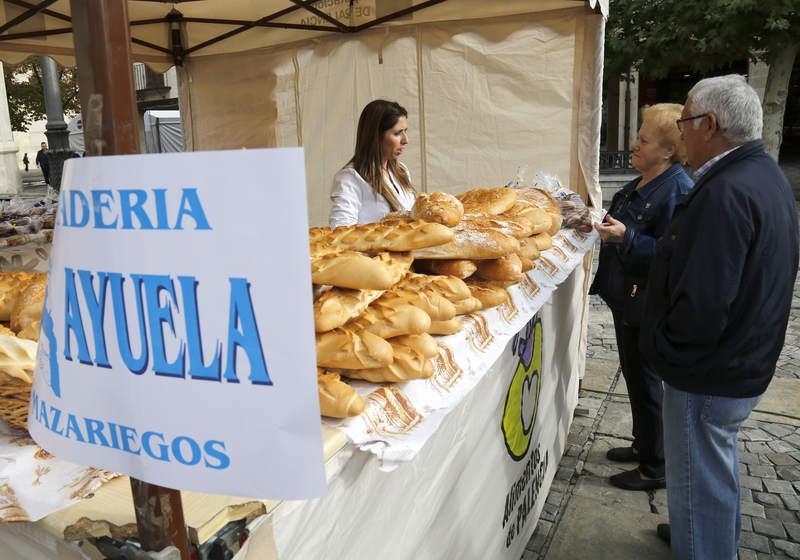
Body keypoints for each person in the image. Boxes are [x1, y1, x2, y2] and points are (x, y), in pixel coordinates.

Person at [639, 75, 798, 559]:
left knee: (697, 483)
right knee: (711, 474)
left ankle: (703, 546)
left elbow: (704, 304)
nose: (680, 133)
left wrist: (666, 349)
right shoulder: (763, 175)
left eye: (685, 122)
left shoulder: (725, 191)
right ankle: (706, 539)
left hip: (710, 372)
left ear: (709, 125)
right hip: (738, 362)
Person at [589, 103, 693, 491]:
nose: (634, 145)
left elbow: (674, 256)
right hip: (628, 297)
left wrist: (625, 237)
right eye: (637, 136)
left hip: (646, 301)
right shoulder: (645, 181)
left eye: (643, 140)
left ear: (667, 150)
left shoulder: (678, 189)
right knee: (634, 375)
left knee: (646, 381)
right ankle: (643, 444)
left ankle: (655, 466)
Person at [329, 100, 416, 227]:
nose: (405, 140)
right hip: (374, 247)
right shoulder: (351, 178)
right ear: (375, 136)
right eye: (397, 133)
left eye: (405, 131)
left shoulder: (401, 172)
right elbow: (341, 230)